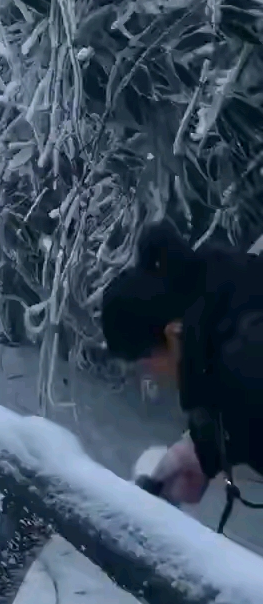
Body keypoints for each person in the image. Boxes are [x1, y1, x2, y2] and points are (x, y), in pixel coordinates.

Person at [101, 219, 263, 517]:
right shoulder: (231, 299)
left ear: (170, 333)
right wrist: (202, 453)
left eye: (144, 364)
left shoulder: (246, 356)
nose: (150, 377)